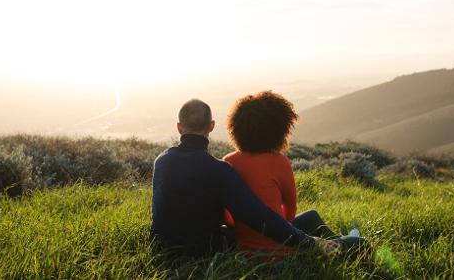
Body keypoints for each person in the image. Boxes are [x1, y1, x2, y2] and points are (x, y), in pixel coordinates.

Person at [150, 99, 340, 256]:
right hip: (202, 252)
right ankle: (339, 245)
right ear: (212, 126)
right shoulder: (218, 169)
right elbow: (259, 216)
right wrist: (312, 242)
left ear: (179, 127)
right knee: (354, 242)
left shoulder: (162, 161)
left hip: (163, 250)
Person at [223, 91, 366, 256]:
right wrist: (281, 228)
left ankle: (336, 239)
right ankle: (342, 242)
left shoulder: (228, 160)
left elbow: (226, 214)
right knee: (360, 243)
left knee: (311, 216)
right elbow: (290, 210)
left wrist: (245, 230)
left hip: (244, 247)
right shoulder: (279, 161)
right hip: (281, 249)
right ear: (279, 130)